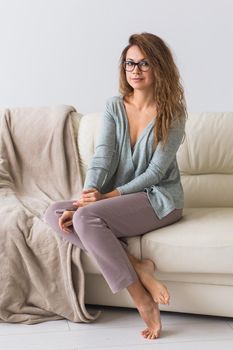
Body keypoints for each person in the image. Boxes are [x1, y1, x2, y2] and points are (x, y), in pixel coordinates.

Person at [45, 32, 187, 340]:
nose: (135, 70)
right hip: (118, 200)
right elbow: (102, 158)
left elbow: (154, 173)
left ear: (159, 66)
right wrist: (88, 195)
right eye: (129, 63)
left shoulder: (172, 113)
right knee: (54, 212)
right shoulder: (114, 106)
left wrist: (103, 198)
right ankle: (139, 267)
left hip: (160, 199)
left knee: (84, 218)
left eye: (144, 63)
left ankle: (141, 300)